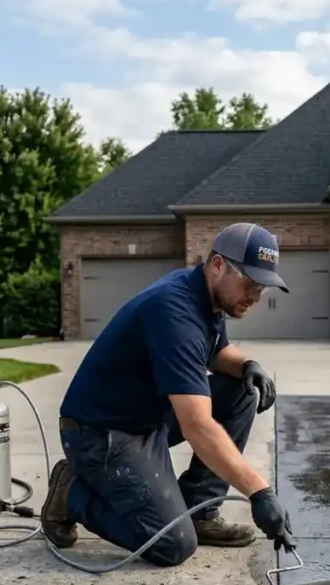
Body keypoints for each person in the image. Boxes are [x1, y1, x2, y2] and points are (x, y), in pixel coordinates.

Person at [40, 222, 295, 566]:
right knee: (172, 545)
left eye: (262, 288)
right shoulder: (174, 311)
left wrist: (247, 365)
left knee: (243, 391)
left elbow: (216, 350)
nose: (256, 296)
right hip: (100, 434)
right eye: (251, 283)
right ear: (218, 265)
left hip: (146, 417)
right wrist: (259, 491)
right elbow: (197, 426)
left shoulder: (205, 296)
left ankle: (200, 511)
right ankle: (71, 493)